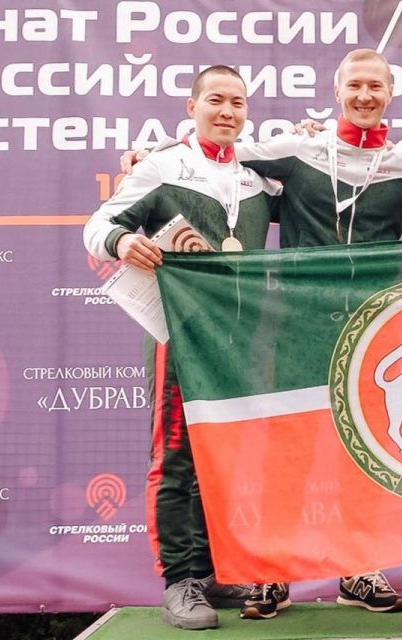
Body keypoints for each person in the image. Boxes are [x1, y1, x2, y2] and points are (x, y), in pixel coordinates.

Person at [124, 49, 402, 620]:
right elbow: (215, 150)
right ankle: (270, 568)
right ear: (337, 92)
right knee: (283, 452)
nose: (365, 96)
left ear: (392, 93)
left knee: (361, 449)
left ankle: (359, 567)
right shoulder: (296, 150)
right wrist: (155, 151)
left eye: (376, 87)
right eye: (355, 85)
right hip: (291, 329)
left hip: (368, 331)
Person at [83, 65, 281, 631]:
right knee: (175, 458)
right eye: (215, 100)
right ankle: (180, 580)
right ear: (192, 107)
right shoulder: (162, 167)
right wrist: (123, 239)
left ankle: (210, 572)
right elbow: (97, 225)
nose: (227, 111)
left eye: (237, 102)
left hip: (238, 340)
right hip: (178, 336)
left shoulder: (258, 179)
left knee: (219, 458)